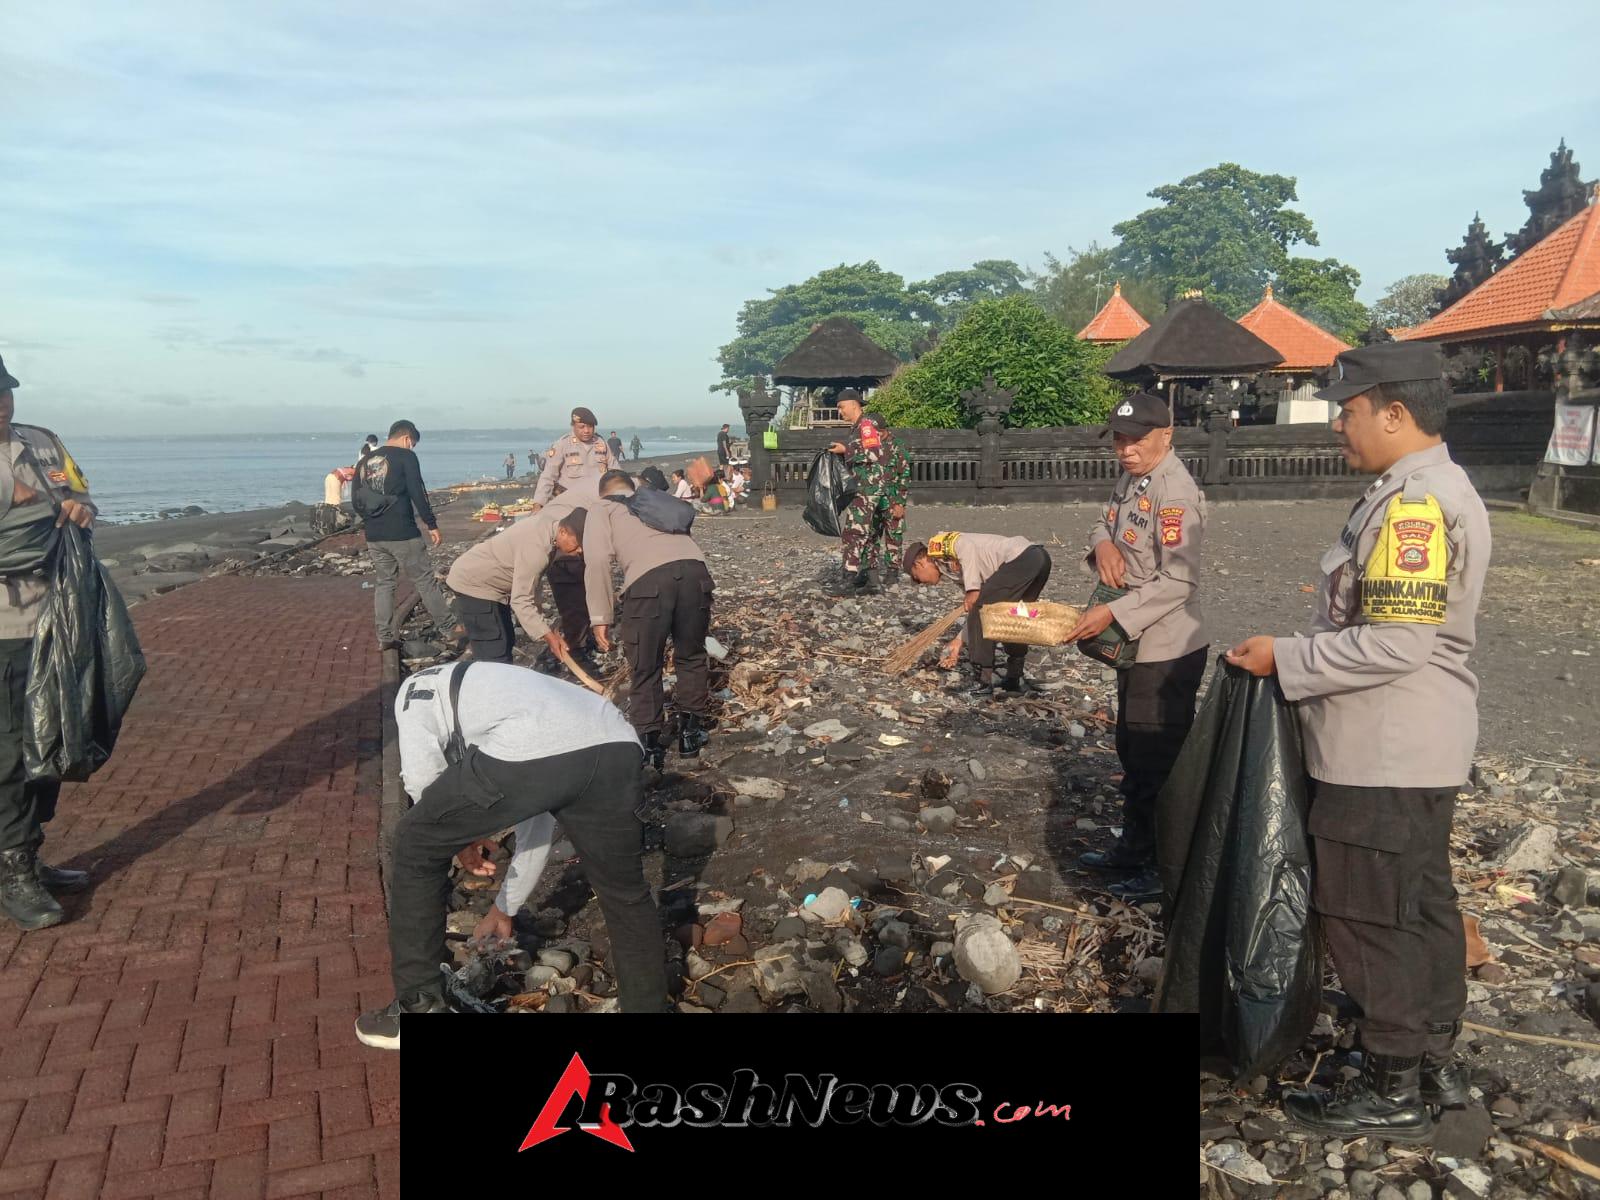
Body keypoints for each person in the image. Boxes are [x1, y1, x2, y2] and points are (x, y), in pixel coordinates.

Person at [1226, 343, 1489, 1142]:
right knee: (1421, 906)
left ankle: (1390, 1085)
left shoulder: (1414, 507)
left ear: (1395, 413)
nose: (1339, 425)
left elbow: (1397, 644)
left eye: (1349, 411)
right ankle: (1434, 1064)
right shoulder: (1421, 490)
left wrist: (1285, 657)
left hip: (1383, 752)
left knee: (1369, 918)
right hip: (1414, 749)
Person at [354, 661, 669, 1046]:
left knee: (414, 842)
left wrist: (457, 840)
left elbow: (423, 785)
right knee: (625, 894)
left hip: (539, 742)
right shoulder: (503, 693)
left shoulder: (415, 689)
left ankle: (418, 1007)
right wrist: (504, 909)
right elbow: (537, 823)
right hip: (617, 741)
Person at [1068, 391, 1207, 902]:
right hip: (1134, 643)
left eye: (1137, 440)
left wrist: (1111, 613)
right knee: (1131, 748)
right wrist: (1103, 544)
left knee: (1157, 761)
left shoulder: (1176, 493)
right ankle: (1133, 847)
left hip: (1167, 648)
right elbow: (1104, 521)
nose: (1126, 450)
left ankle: (1162, 867)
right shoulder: (1133, 478)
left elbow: (1179, 581)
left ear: (1167, 435)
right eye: (1119, 440)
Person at [0, 354, 98, 931]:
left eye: (4, 391)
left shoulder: (43, 443)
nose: (1, 404)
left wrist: (81, 509)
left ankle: (29, 852)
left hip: (55, 619)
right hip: (3, 628)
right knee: (11, 750)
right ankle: (13, 869)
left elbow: (83, 499)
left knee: (55, 739)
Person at [582, 470, 712, 768]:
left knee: (645, 664)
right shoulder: (656, 499)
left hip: (648, 583)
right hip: (695, 573)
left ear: (603, 492)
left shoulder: (602, 508)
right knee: (691, 655)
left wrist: (600, 616)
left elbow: (598, 560)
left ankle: (650, 745)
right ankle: (690, 734)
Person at [445, 491, 590, 664]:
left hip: (492, 586)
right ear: (564, 532)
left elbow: (532, 584)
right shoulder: (538, 549)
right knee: (493, 651)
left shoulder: (549, 527)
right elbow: (521, 600)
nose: (580, 550)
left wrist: (545, 627)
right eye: (578, 544)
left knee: (506, 638)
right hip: (474, 583)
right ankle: (488, 680)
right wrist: (549, 637)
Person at [903, 533, 1053, 696]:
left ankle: (983, 680)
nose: (921, 583)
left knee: (982, 610)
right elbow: (974, 609)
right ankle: (1015, 677)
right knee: (1011, 616)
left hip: (1023, 559)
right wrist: (959, 641)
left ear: (919, 563)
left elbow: (965, 544)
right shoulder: (953, 569)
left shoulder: (942, 548)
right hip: (1038, 559)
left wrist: (973, 589)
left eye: (916, 578)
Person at [357, 420, 457, 652]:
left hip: (374, 534)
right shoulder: (406, 457)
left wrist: (371, 520)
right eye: (412, 444)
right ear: (406, 438)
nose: (412, 448)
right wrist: (431, 524)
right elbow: (417, 492)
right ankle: (449, 627)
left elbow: (356, 499)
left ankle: (384, 636)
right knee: (424, 580)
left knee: (385, 583)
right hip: (403, 532)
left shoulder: (364, 461)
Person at [531, 408, 614, 656]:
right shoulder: (563, 446)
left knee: (594, 568)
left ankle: (596, 623)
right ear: (574, 426)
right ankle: (577, 637)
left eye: (590, 427)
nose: (587, 431)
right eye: (582, 427)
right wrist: (538, 505)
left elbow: (615, 474)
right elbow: (548, 477)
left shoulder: (602, 445)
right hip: (568, 514)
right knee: (568, 571)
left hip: (595, 514)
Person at [827, 390, 910, 593]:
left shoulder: (866, 425)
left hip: (868, 487)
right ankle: (872, 582)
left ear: (854, 404)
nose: (840, 411)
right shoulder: (857, 428)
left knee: (854, 532)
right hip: (866, 487)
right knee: (868, 533)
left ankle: (849, 579)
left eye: (841, 407)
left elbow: (873, 453)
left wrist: (846, 450)